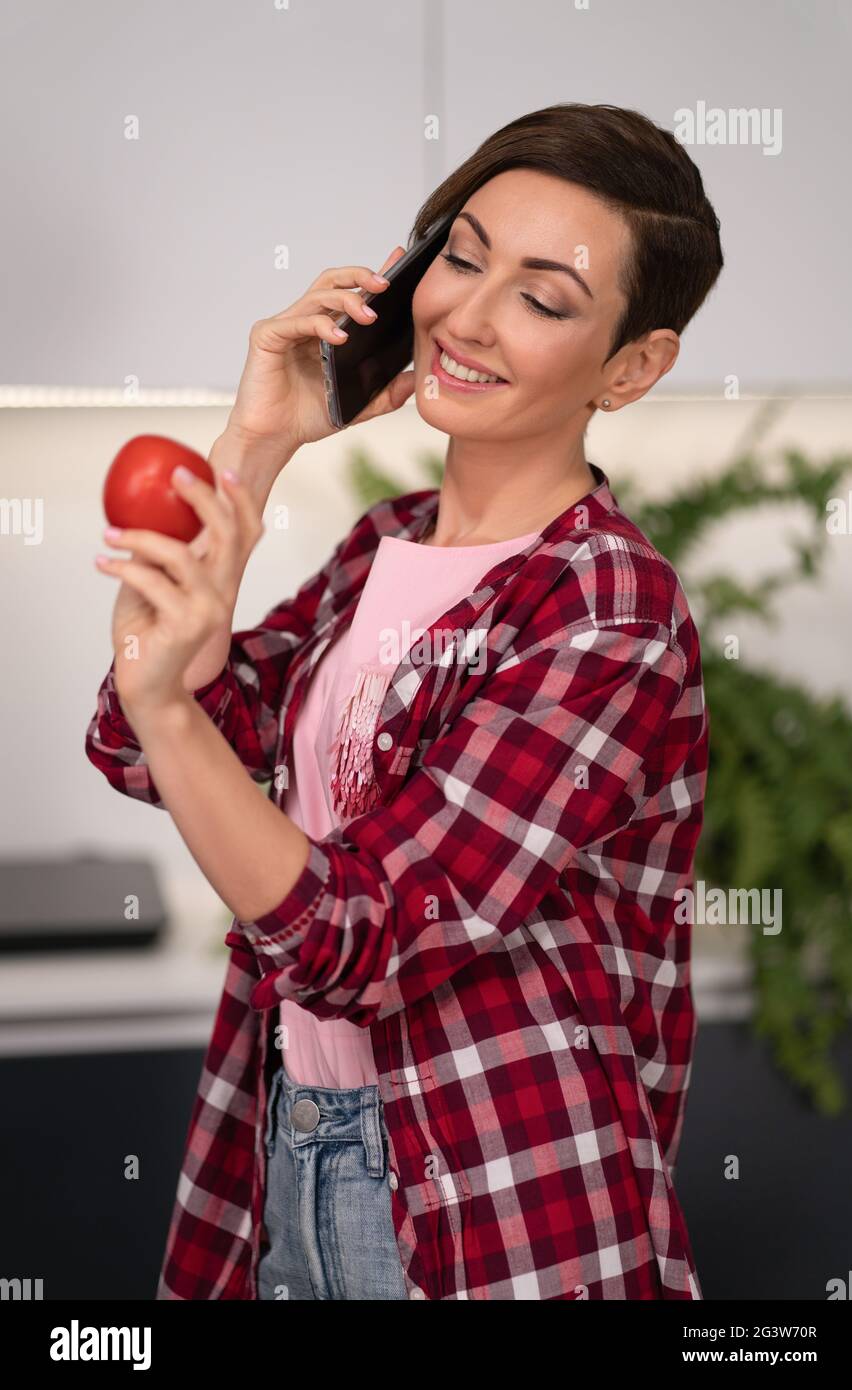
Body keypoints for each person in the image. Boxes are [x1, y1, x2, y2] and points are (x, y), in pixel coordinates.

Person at [85, 101, 723, 1300]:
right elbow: (140, 738)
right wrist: (259, 441)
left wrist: (173, 709)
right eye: (462, 256)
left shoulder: (610, 607)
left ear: (632, 365)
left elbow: (362, 936)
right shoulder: (383, 548)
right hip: (289, 1149)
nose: (466, 315)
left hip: (495, 1200)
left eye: (541, 297)